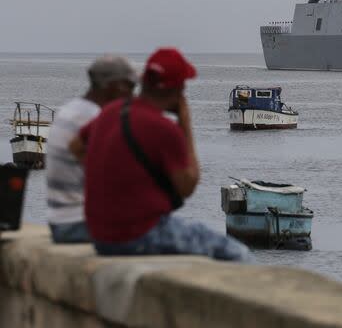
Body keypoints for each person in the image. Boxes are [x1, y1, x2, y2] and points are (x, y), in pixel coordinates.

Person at [70, 48, 250, 261]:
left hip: (101, 236)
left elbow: (75, 146)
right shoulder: (164, 129)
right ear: (178, 89)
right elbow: (187, 186)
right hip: (140, 235)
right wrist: (185, 123)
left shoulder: (113, 110)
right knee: (239, 254)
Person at [47, 56, 137, 243]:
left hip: (60, 221)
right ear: (114, 86)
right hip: (81, 225)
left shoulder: (68, 110)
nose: (133, 95)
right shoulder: (96, 118)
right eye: (130, 86)